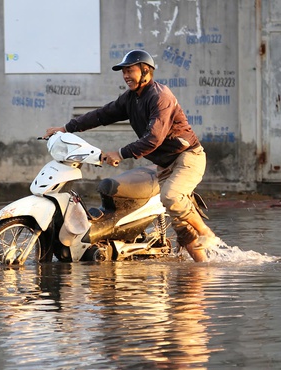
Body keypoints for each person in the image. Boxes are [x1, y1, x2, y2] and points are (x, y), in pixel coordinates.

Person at [44, 49, 217, 262]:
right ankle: (202, 271)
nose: (126, 75)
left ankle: (207, 234)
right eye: (123, 71)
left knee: (171, 197)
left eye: (130, 70)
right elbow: (102, 115)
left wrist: (121, 153)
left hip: (187, 156)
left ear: (146, 71)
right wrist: (66, 128)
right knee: (181, 226)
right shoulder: (131, 99)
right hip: (164, 164)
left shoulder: (160, 97)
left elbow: (154, 138)